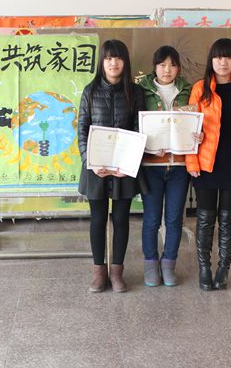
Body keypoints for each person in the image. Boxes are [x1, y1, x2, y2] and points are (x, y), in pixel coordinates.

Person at [186, 38, 231, 291]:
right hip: (206, 162)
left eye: (228, 57)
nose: (222, 62)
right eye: (217, 57)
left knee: (228, 219)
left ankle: (223, 269)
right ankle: (204, 268)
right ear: (211, 60)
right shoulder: (200, 88)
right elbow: (189, 127)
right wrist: (191, 161)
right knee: (205, 218)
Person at [77, 39, 146, 293]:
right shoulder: (90, 91)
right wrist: (90, 161)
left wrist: (128, 164)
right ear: (102, 62)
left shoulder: (135, 92)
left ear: (125, 62)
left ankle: (117, 272)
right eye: (108, 58)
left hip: (123, 169)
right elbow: (82, 129)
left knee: (120, 218)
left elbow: (139, 129)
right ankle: (99, 271)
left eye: (117, 58)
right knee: (97, 219)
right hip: (96, 168)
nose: (113, 63)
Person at [137, 46, 192, 287]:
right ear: (155, 67)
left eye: (172, 65)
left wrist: (198, 134)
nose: (167, 70)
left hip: (179, 165)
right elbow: (135, 124)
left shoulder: (189, 90)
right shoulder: (142, 91)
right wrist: (147, 147)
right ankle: (150, 264)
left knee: (174, 219)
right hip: (152, 166)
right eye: (162, 65)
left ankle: (169, 263)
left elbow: (197, 120)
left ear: (178, 68)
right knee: (151, 219)